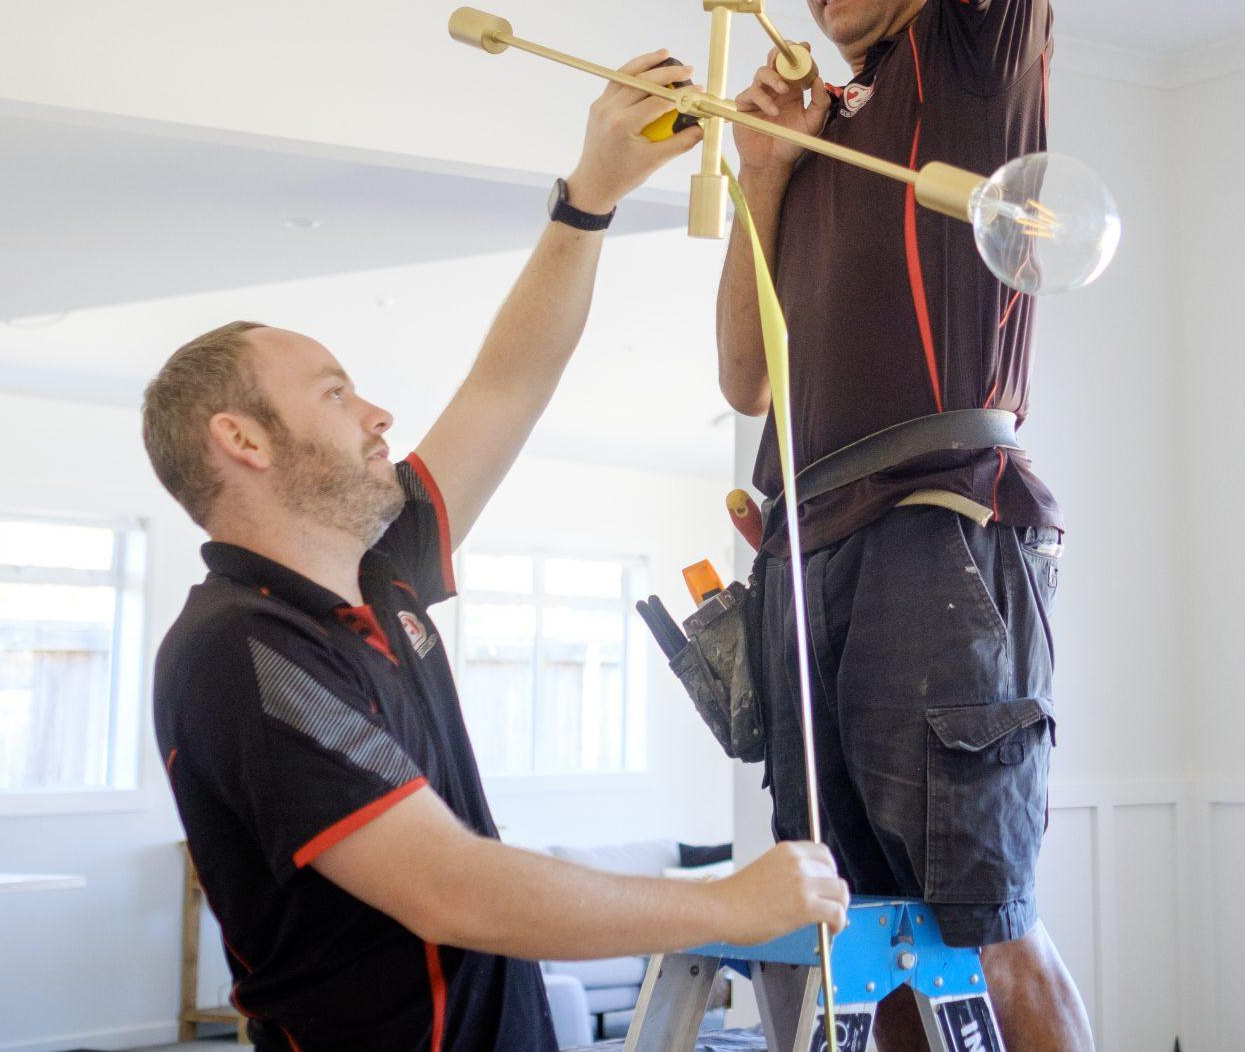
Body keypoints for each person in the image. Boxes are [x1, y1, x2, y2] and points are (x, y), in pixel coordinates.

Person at [147, 51, 849, 1052]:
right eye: (338, 394)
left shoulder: (376, 573)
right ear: (244, 442)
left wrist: (590, 196)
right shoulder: (243, 651)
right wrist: (725, 905)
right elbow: (450, 889)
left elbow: (507, 384)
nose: (379, 413)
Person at [709, 0, 1096, 1052]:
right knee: (872, 949)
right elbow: (745, 373)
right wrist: (763, 174)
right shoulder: (822, 126)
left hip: (943, 518)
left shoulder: (977, 52)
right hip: (810, 551)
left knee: (983, 926)